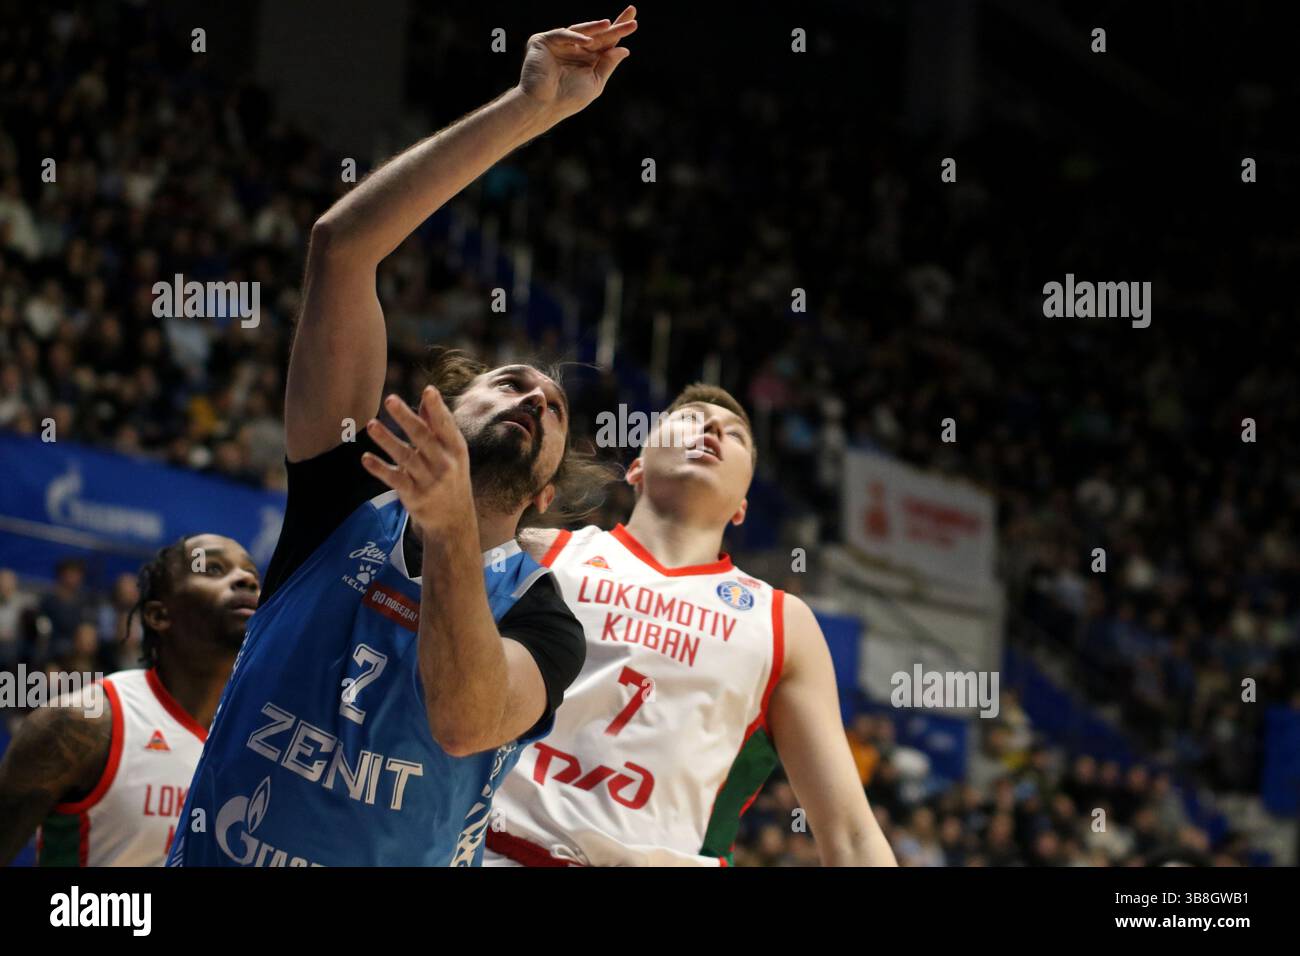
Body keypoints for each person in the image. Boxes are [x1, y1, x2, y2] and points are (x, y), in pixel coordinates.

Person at [168, 9, 636, 867]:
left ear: (541, 496)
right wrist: (530, 107)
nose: (534, 388)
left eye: (554, 409)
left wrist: (454, 523)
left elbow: (464, 721)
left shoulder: (543, 615)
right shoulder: (342, 490)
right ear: (440, 413)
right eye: (506, 380)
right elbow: (341, 249)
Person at [486, 385, 897, 865]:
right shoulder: (538, 551)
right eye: (691, 418)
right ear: (637, 467)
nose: (713, 428)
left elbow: (849, 832)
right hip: (493, 848)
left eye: (737, 434)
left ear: (742, 504)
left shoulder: (782, 622)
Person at [0, 534, 259, 866]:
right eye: (212, 569)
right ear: (157, 616)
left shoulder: (263, 739)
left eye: (252, 573)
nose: (247, 579)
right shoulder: (84, 722)